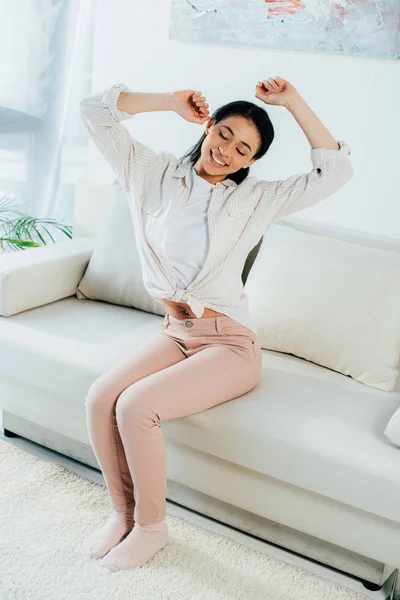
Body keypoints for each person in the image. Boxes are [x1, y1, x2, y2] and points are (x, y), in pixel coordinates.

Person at [79, 76, 354, 571]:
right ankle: (121, 515)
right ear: (207, 128)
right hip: (176, 332)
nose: (227, 150)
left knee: (136, 408)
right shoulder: (152, 172)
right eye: (224, 134)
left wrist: (292, 101)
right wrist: (168, 102)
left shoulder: (256, 199)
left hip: (230, 346)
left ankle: (151, 528)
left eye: (243, 148)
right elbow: (94, 111)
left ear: (252, 162)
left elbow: (334, 171)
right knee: (101, 397)